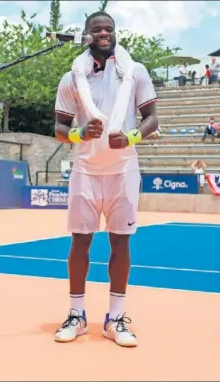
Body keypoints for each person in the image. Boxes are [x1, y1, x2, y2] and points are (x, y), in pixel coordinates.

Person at [52, 11, 158, 348]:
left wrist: (131, 137)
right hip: (85, 169)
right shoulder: (72, 77)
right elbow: (59, 129)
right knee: (80, 242)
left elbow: (152, 119)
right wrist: (81, 133)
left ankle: (115, 318)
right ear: (86, 35)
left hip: (123, 169)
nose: (104, 33)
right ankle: (77, 314)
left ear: (115, 34)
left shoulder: (135, 70)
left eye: (109, 29)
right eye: (97, 29)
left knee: (120, 243)